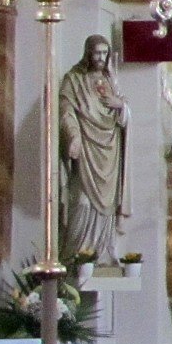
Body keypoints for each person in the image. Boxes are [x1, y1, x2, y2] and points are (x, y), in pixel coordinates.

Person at [58, 34, 128, 265]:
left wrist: (122, 107)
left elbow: (123, 116)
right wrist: (74, 137)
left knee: (106, 206)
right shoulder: (74, 80)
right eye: (96, 53)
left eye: (104, 53)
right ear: (88, 53)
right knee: (81, 202)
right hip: (86, 150)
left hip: (109, 152)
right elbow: (66, 112)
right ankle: (74, 257)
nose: (100, 57)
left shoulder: (111, 81)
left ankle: (102, 255)